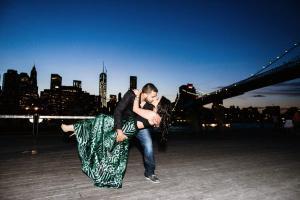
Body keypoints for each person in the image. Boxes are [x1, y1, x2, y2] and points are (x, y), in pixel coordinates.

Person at [61, 91, 172, 188]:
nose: (155, 98)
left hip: (129, 128)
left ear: (161, 105)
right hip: (128, 125)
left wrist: (137, 95)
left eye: (158, 99)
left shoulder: (153, 113)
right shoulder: (154, 111)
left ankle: (149, 172)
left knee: (103, 122)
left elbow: (135, 109)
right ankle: (78, 130)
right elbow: (131, 112)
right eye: (155, 97)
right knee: (104, 127)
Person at [114, 83, 161, 183]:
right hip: (125, 125)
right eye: (153, 96)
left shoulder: (151, 104)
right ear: (144, 93)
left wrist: (155, 108)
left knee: (148, 145)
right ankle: (110, 170)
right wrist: (119, 131)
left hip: (141, 128)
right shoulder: (131, 94)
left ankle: (150, 173)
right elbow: (118, 111)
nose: (155, 98)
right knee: (115, 147)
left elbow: (154, 122)